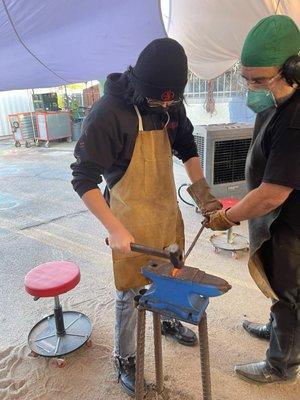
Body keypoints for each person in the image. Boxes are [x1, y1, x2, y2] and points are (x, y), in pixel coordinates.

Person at [71, 38, 221, 396]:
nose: (166, 105)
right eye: (161, 99)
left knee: (172, 268)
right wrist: (115, 227)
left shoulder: (172, 106)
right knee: (130, 292)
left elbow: (186, 146)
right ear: (140, 83)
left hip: (164, 208)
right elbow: (83, 177)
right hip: (127, 216)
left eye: (172, 99)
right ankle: (125, 357)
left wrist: (203, 193)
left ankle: (167, 321)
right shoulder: (108, 112)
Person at [206, 15, 300, 384]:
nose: (251, 87)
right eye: (246, 78)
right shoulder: (281, 101)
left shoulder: (296, 120)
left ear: (293, 69)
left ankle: (282, 364)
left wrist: (227, 218)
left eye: (260, 80)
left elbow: (272, 194)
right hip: (278, 219)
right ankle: (279, 330)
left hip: (291, 222)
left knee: (291, 294)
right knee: (279, 286)